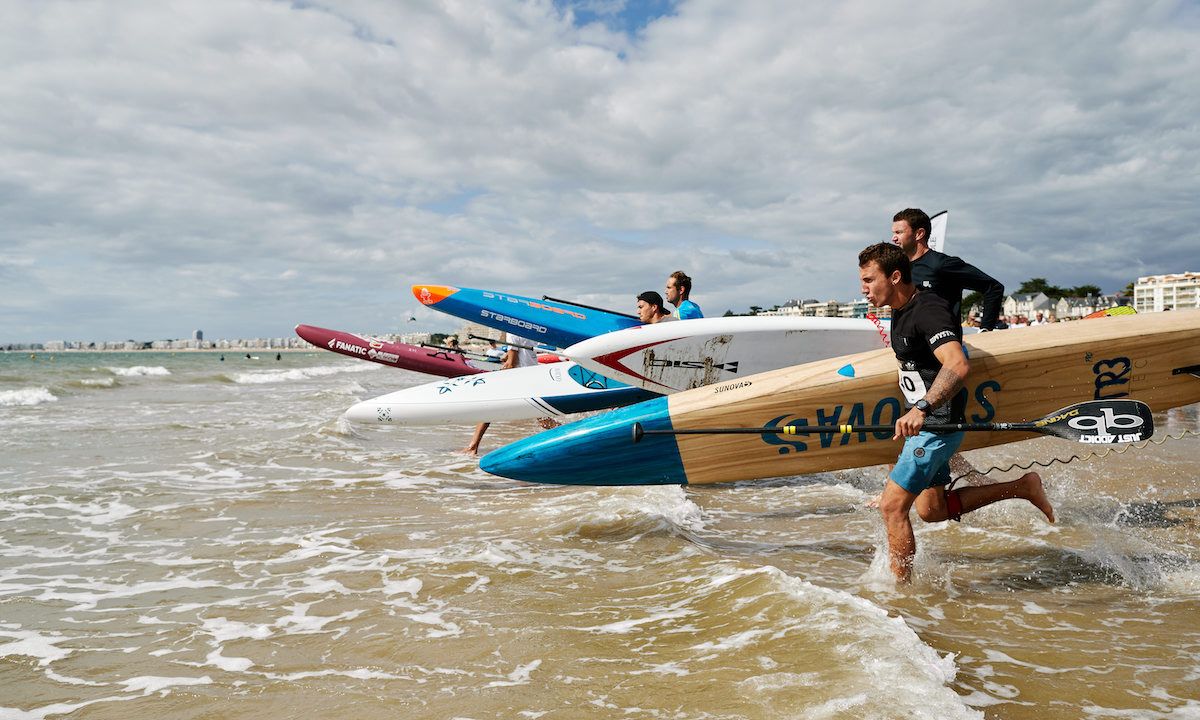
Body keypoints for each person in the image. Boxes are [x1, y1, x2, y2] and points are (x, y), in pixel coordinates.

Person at [858, 242, 1055, 582]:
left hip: (937, 425)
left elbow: (958, 363)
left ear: (894, 276)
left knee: (892, 507)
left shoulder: (928, 310)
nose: (863, 289)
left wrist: (922, 407)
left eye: (868, 280)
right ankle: (1023, 487)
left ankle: (900, 597)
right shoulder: (900, 310)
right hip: (923, 427)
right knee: (932, 510)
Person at [891, 209, 1004, 331]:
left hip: (943, 347)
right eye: (893, 233)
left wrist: (986, 329)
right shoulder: (899, 269)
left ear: (919, 234)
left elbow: (993, 287)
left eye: (899, 232)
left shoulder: (942, 264)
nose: (894, 238)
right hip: (909, 347)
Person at [463, 331, 539, 455]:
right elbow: (519, 355)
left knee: (489, 407)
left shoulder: (512, 332)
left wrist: (501, 371)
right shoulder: (526, 330)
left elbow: (512, 363)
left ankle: (473, 447)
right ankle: (565, 435)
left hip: (519, 377)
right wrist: (507, 357)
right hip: (531, 375)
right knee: (541, 416)